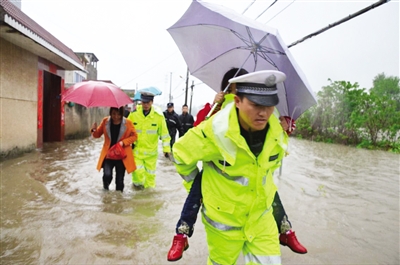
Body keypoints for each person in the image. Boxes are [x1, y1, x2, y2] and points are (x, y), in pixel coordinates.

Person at [167, 69, 307, 263]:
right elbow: (181, 153)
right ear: (237, 100)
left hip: (261, 220)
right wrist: (199, 187)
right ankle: (182, 233)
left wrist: (285, 132)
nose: (264, 112)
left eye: (269, 104)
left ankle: (285, 228)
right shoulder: (215, 130)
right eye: (256, 104)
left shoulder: (277, 130)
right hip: (224, 222)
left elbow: (268, 172)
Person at [127, 93, 171, 189]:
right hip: (137, 151)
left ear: (152, 102)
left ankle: (148, 196)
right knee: (137, 173)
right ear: (141, 102)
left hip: (151, 154)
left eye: (148, 102)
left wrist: (166, 149)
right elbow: (126, 129)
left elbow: (165, 134)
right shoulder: (134, 114)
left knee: (150, 177)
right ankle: (137, 194)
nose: (145, 105)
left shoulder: (158, 116)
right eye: (143, 102)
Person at [90, 107, 137, 192]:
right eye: (114, 114)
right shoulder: (105, 121)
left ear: (122, 114)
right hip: (109, 154)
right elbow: (97, 135)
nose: (116, 116)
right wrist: (94, 129)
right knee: (107, 175)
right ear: (110, 113)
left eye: (119, 114)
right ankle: (106, 191)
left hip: (122, 155)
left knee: (119, 181)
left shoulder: (128, 123)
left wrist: (123, 142)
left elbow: (134, 136)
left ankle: (119, 201)